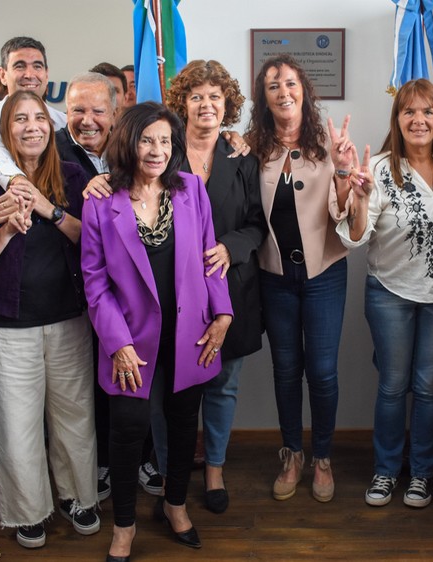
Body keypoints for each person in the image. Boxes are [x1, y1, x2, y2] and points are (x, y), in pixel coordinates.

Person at [81, 102, 233, 561]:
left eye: (166, 141)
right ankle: (124, 528)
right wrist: (118, 343)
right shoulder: (101, 203)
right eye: (148, 139)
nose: (157, 150)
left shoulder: (190, 189)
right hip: (130, 342)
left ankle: (175, 505)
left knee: (185, 425)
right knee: (127, 432)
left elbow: (212, 260)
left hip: (192, 333)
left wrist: (223, 314)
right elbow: (95, 282)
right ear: (128, 141)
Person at [0, 90, 98, 549]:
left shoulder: (75, 176)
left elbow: (95, 244)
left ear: (51, 125)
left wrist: (48, 209)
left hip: (69, 318)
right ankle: (26, 511)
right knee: (15, 421)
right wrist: (7, 228)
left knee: (74, 416)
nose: (31, 127)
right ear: (5, 130)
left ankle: (79, 497)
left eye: (38, 118)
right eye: (19, 119)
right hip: (6, 324)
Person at [336, 78, 433, 509]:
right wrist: (360, 198)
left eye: (427, 111)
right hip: (389, 293)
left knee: (427, 388)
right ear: (398, 119)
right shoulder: (381, 170)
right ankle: (386, 471)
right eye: (409, 111)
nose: (419, 119)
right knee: (392, 386)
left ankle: (421, 474)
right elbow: (355, 239)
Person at [245, 54, 357, 503]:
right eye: (273, 86)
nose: (283, 92)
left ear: (304, 90)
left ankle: (323, 457)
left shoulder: (330, 146)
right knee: (286, 370)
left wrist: (345, 170)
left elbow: (343, 215)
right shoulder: (249, 147)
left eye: (290, 83)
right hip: (274, 277)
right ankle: (292, 453)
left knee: (323, 372)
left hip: (324, 275)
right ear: (264, 97)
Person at [165, 59, 267, 513]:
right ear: (182, 104)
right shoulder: (163, 150)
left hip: (232, 286)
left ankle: (215, 470)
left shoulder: (240, 155)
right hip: (174, 290)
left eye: (215, 96)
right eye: (197, 96)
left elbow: (257, 225)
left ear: (227, 105)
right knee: (174, 386)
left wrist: (229, 246)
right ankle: (171, 474)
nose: (206, 104)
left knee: (223, 385)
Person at [0, 37, 66, 138]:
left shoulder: (65, 124)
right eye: (19, 66)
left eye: (37, 66)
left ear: (46, 74)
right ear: (2, 75)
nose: (29, 75)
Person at [58, 72, 117, 177]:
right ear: (67, 113)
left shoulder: (128, 150)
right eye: (79, 110)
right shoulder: (49, 150)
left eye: (98, 111)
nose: (87, 121)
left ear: (113, 115)